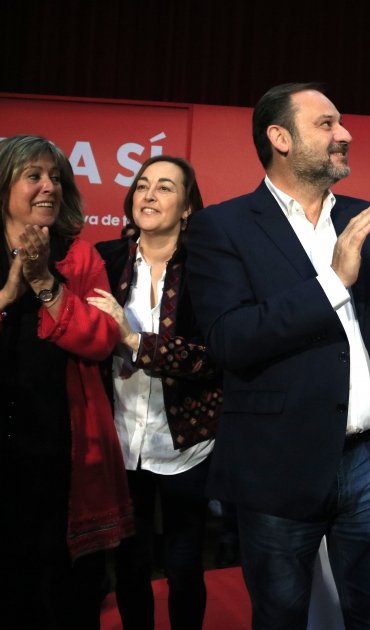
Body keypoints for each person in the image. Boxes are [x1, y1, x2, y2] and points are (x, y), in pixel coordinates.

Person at [185, 82, 370, 629]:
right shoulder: (221, 227)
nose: (344, 134)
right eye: (326, 124)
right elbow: (229, 338)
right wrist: (332, 283)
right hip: (279, 464)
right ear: (280, 138)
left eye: (340, 123)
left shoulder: (369, 218)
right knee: (281, 616)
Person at [0, 135, 134, 629]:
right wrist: (9, 292)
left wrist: (43, 283)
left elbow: (100, 340)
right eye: (34, 176)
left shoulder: (79, 257)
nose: (49, 187)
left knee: (62, 586)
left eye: (56, 178)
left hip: (62, 449)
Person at [89, 155, 222, 630]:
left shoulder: (208, 270)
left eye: (165, 187)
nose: (148, 194)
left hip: (186, 444)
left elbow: (212, 357)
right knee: (130, 564)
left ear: (187, 207)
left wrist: (132, 340)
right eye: (142, 184)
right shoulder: (104, 259)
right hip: (120, 439)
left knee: (185, 566)